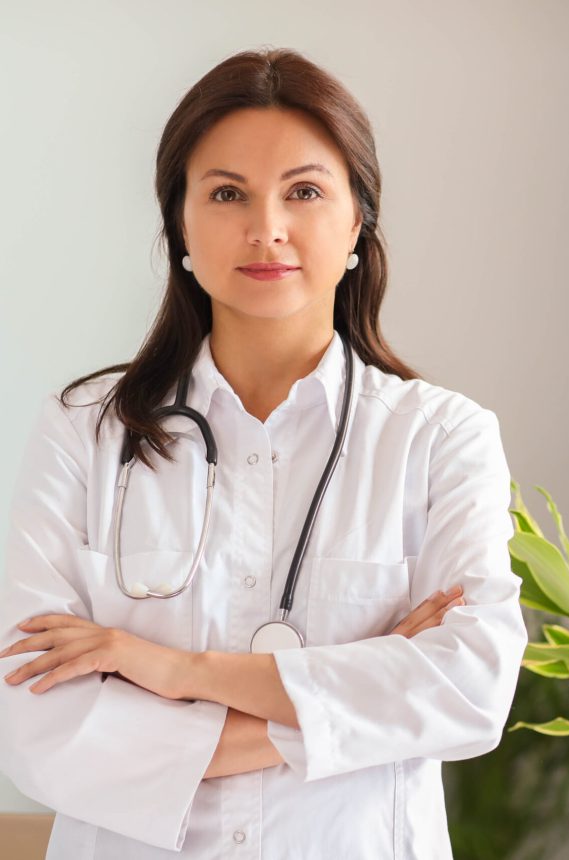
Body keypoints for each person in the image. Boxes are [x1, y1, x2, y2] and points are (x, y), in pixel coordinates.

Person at [0, 47, 528, 859]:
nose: (266, 228)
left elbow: (469, 691)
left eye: (306, 191)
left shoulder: (440, 437)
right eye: (226, 193)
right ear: (179, 221)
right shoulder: (84, 432)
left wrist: (172, 671)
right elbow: (35, 726)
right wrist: (357, 702)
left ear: (357, 221)